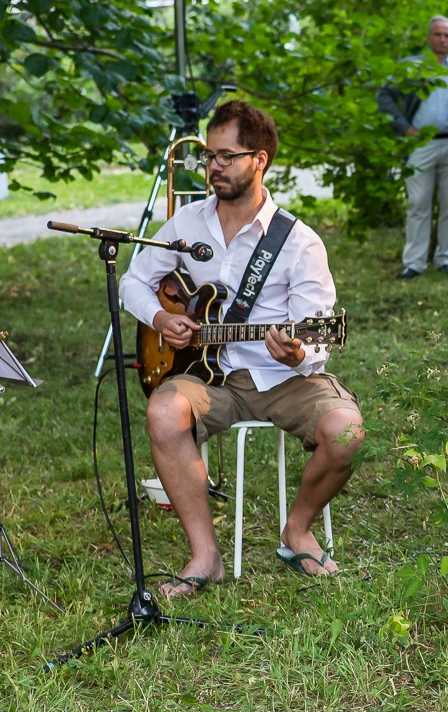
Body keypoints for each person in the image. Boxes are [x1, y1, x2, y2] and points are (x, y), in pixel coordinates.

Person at [122, 100, 365, 598]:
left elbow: (313, 338)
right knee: (163, 412)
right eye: (210, 156)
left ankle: (297, 531)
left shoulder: (299, 242)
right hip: (210, 378)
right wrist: (163, 317)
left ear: (260, 160)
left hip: (284, 380)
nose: (214, 167)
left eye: (226, 156)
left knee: (346, 432)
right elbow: (133, 282)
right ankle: (205, 557)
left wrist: (298, 354)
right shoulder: (187, 224)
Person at [377, 15, 448, 279]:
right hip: (420, 143)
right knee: (418, 204)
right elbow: (384, 96)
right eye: (438, 34)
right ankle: (414, 263)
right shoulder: (412, 67)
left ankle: (445, 259)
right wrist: (403, 127)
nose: (443, 39)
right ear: (428, 37)